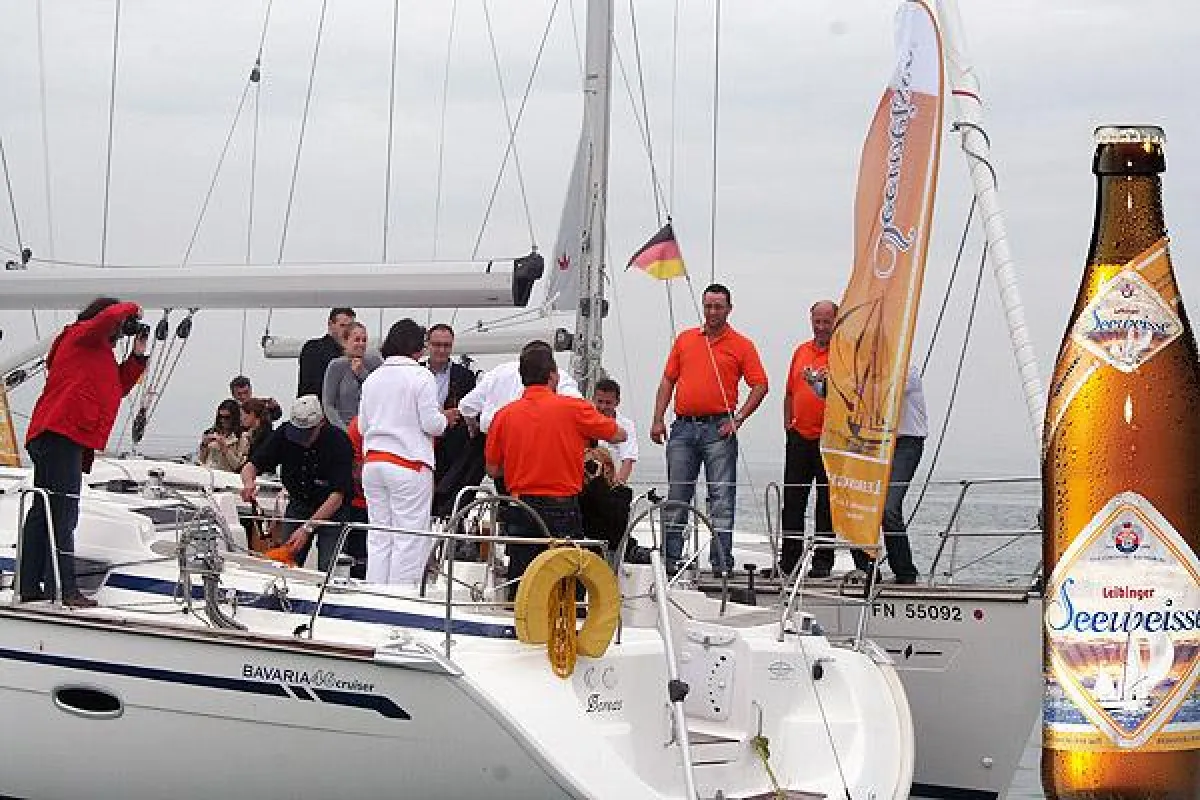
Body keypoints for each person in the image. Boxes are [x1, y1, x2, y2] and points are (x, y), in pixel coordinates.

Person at [20, 296, 149, 607]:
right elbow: (105, 320)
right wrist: (132, 308)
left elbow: (114, 388)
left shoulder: (97, 352)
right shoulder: (80, 335)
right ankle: (62, 589)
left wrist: (137, 356)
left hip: (61, 434)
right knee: (62, 513)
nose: (122, 329)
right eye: (121, 325)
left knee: (46, 512)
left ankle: (31, 585)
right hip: (60, 432)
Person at [485, 344, 625, 596]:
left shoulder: (503, 416)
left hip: (521, 506)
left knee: (522, 581)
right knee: (567, 580)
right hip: (562, 507)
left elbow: (493, 469)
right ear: (553, 376)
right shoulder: (573, 408)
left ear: (522, 377)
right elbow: (618, 434)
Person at [649, 283, 768, 575]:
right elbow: (667, 380)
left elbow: (760, 385)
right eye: (708, 306)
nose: (713, 311)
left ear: (729, 309)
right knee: (677, 497)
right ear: (703, 307)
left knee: (721, 500)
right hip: (683, 428)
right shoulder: (686, 339)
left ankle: (721, 563)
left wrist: (738, 418)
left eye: (718, 306)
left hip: (719, 429)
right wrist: (657, 418)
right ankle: (669, 562)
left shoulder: (742, 344)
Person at [357, 319, 459, 584]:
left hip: (374, 464)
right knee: (409, 538)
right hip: (408, 465)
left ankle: (375, 593)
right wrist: (446, 419)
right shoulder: (420, 376)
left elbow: (363, 426)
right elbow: (431, 425)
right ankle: (401, 598)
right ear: (417, 348)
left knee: (379, 535)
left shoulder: (373, 379)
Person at [240, 395, 355, 571]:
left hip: (332, 511)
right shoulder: (284, 434)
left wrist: (307, 528)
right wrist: (249, 483)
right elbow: (251, 466)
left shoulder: (339, 442)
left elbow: (337, 496)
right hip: (299, 504)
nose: (302, 439)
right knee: (284, 563)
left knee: (330, 566)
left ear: (321, 423)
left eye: (307, 433)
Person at [852, 365, 925, 584]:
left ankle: (905, 571)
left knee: (889, 508)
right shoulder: (865, 371)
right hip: (873, 441)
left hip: (906, 442)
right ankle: (866, 569)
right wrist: (820, 383)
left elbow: (886, 391)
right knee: (856, 503)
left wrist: (855, 383)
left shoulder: (908, 370)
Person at [780, 300, 837, 578]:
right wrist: (788, 424)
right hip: (799, 437)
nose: (822, 327)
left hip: (830, 441)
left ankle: (823, 563)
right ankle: (788, 562)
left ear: (836, 321)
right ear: (811, 320)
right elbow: (789, 392)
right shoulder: (800, 351)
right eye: (818, 321)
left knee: (826, 504)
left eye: (827, 321)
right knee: (792, 501)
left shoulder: (843, 353)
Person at [458, 342, 582, 439]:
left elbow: (466, 406)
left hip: (495, 439)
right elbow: (578, 406)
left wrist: (473, 428)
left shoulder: (499, 372)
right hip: (535, 443)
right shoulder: (559, 376)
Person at [424, 323, 479, 518]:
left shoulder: (464, 376)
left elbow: (471, 408)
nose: (441, 350)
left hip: (452, 444)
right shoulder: (417, 372)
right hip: (423, 440)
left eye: (446, 345)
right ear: (428, 345)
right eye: (437, 345)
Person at [322, 321, 383, 431]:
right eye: (357, 340)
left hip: (372, 429)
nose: (361, 344)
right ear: (345, 342)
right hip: (346, 429)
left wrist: (362, 374)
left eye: (364, 340)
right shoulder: (336, 366)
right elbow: (328, 405)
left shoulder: (374, 362)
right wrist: (344, 431)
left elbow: (381, 393)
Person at [297, 307, 355, 398]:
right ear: (330, 324)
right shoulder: (314, 348)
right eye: (342, 325)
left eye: (350, 327)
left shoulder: (354, 354)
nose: (347, 331)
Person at [592, 378, 638, 485]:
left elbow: (628, 459)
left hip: (612, 481)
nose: (603, 407)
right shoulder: (583, 420)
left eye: (608, 403)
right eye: (600, 402)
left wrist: (617, 485)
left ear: (617, 402)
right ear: (593, 399)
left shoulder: (627, 425)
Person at [198, 399, 246, 472]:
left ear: (234, 417)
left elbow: (238, 466)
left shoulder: (241, 438)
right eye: (221, 417)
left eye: (227, 417)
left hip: (225, 477)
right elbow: (201, 460)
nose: (223, 420)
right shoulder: (211, 432)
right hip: (208, 474)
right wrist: (204, 445)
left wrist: (225, 448)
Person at [238, 397, 275, 466]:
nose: (241, 419)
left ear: (252, 414)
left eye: (242, 415)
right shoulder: (249, 433)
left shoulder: (267, 436)